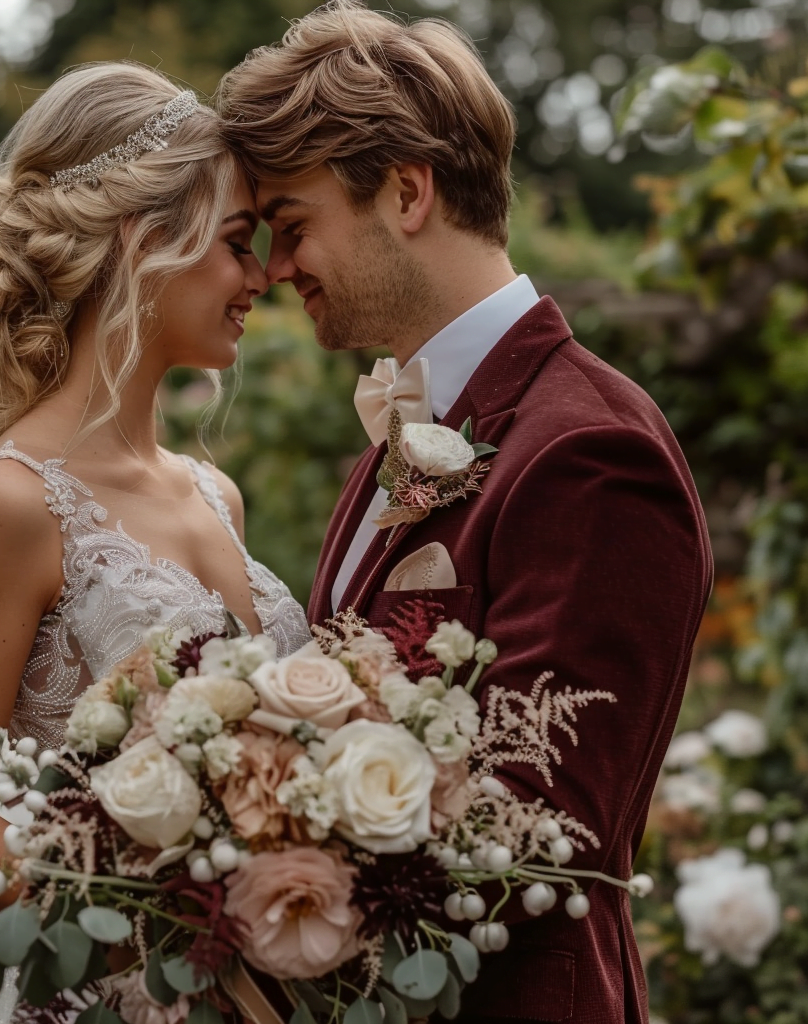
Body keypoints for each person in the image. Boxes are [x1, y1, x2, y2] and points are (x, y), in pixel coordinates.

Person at [218, 3, 713, 1022]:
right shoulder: (406, 439)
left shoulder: (588, 450)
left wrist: (214, 871)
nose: (272, 269)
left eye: (292, 224)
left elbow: (540, 823)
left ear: (405, 192)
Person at [0, 61, 312, 1024]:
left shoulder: (215, 495)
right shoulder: (15, 507)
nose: (263, 275)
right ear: (149, 241)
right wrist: (145, 925)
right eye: (238, 242)